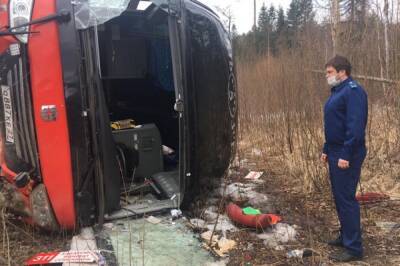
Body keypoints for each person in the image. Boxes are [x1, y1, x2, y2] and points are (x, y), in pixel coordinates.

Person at [321, 55, 368, 262]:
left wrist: (346, 154)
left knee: (347, 199)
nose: (327, 76)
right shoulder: (337, 92)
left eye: (330, 72)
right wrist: (326, 148)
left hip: (346, 154)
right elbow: (334, 124)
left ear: (342, 72)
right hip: (334, 151)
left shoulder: (353, 92)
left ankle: (354, 248)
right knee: (340, 198)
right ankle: (346, 236)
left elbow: (355, 127)